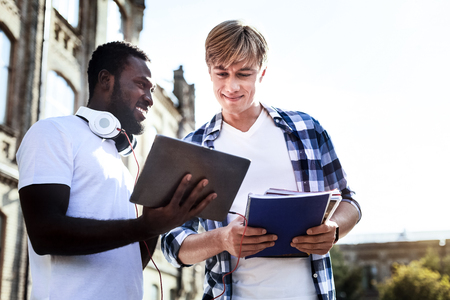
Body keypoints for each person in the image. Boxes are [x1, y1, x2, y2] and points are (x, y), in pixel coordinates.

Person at [161, 20, 362, 300]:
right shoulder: (194, 148)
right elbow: (172, 243)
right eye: (221, 73)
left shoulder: (307, 130)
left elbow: (349, 202)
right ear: (209, 72)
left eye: (244, 74)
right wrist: (221, 239)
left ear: (262, 73)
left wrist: (335, 229)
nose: (231, 86)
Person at [17, 41, 216, 300]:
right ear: (105, 80)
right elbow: (44, 234)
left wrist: (156, 221)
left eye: (153, 89)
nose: (150, 98)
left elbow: (130, 262)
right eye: (141, 84)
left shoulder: (122, 166)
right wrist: (143, 226)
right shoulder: (53, 133)